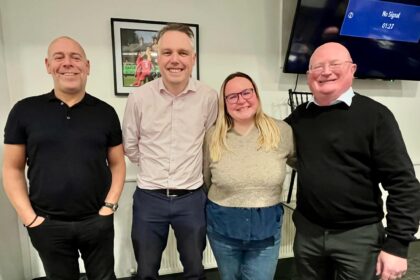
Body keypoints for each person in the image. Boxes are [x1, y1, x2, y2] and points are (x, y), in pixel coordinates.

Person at [285, 42, 420, 280]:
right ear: (308, 76)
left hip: (359, 237)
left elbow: (403, 184)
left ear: (352, 69)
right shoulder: (299, 118)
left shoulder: (376, 116)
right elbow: (265, 137)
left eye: (335, 64)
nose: (325, 71)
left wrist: (398, 245)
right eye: (317, 66)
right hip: (308, 234)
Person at [2, 36, 126, 280]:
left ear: (87, 66)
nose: (68, 63)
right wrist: (30, 218)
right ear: (48, 65)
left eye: (75, 57)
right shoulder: (24, 111)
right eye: (59, 57)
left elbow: (118, 163)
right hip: (47, 224)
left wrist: (108, 207)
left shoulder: (105, 113)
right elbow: (11, 169)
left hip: (96, 221)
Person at [122, 23, 218, 279]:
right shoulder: (139, 98)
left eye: (182, 53)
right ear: (157, 56)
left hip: (192, 199)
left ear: (193, 58)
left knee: (195, 270)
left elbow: (210, 143)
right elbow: (130, 145)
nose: (175, 59)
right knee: (146, 271)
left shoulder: (209, 98)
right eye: (167, 52)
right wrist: (154, 165)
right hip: (149, 199)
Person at [203, 72, 295, 280]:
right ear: (224, 103)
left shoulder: (282, 132)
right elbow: (206, 179)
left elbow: (302, 164)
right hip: (223, 225)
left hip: (266, 228)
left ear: (256, 95)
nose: (241, 100)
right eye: (232, 96)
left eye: (246, 92)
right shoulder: (213, 136)